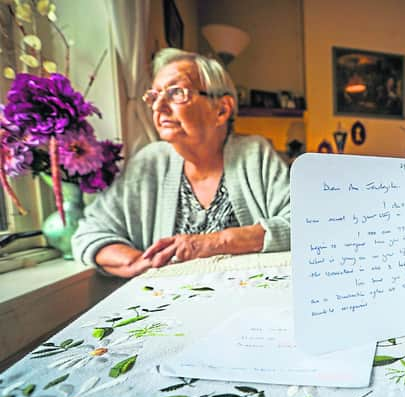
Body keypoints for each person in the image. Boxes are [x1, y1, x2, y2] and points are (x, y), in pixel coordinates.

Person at [71, 48, 291, 278]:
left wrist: (215, 242)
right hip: (168, 304)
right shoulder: (149, 162)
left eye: (176, 93)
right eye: (154, 96)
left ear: (221, 109)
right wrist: (139, 263)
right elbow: (90, 233)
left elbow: (303, 225)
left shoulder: (254, 155)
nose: (158, 107)